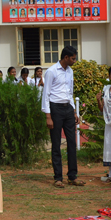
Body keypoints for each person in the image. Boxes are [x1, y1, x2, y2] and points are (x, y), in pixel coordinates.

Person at [43, 46, 83, 188]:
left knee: (72, 143)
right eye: (73, 58)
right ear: (66, 57)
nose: (74, 61)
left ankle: (72, 176)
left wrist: (73, 111)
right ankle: (58, 177)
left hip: (68, 108)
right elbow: (46, 94)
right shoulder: (51, 71)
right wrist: (48, 116)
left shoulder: (70, 71)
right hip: (55, 109)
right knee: (56, 144)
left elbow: (69, 92)